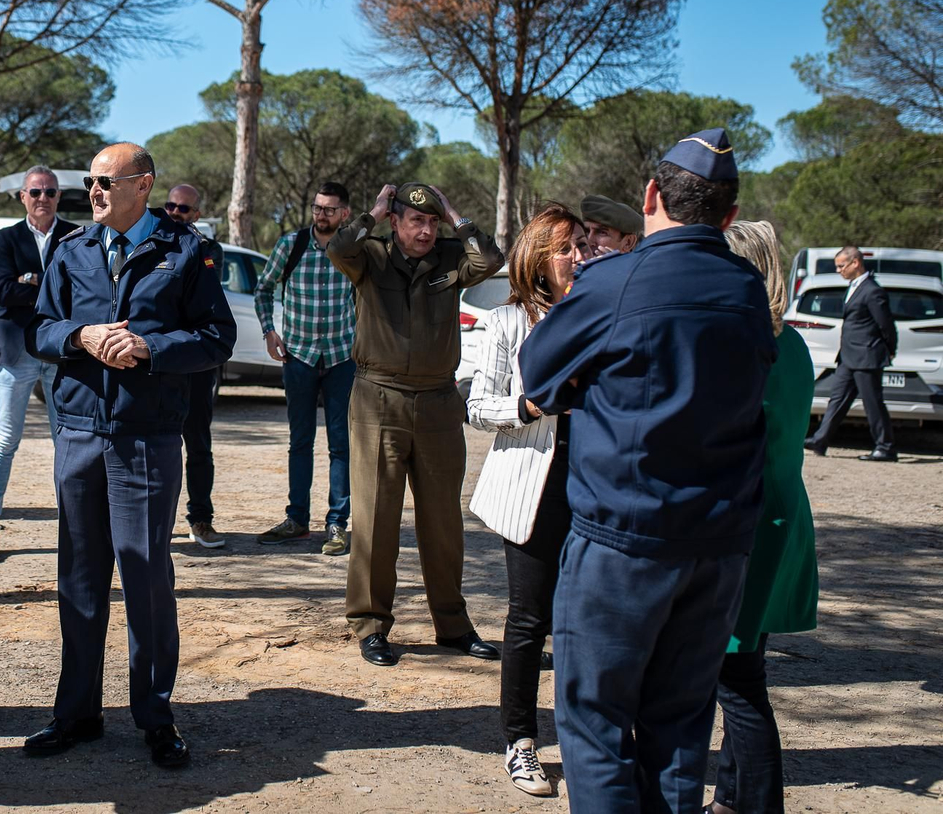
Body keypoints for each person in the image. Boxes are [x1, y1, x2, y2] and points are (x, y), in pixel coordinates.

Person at [518, 128, 778, 813]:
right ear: (728, 214)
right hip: (718, 548)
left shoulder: (616, 280)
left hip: (624, 545)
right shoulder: (748, 289)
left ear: (652, 195)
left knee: (596, 727)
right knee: (681, 728)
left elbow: (539, 378)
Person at [24, 143, 234, 769]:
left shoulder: (187, 251)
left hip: (146, 437)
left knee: (145, 579)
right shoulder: (71, 250)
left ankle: (155, 717)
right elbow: (38, 328)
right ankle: (77, 714)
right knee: (80, 580)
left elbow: (215, 338)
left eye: (104, 181)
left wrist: (149, 348)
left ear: (142, 185)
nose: (91, 191)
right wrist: (78, 335)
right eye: (87, 181)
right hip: (81, 435)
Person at [328, 181, 504, 666]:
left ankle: (452, 625)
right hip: (378, 398)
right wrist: (370, 213)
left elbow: (489, 261)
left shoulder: (450, 256)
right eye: (415, 221)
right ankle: (370, 624)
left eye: (432, 222)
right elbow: (336, 248)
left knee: (443, 521)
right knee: (376, 518)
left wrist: (455, 215)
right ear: (394, 220)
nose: (426, 230)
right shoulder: (370, 256)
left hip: (438, 402)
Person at [466, 203, 590, 797]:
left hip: (596, 490)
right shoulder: (507, 321)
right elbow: (477, 405)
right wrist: (528, 408)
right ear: (538, 257)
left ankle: (587, 741)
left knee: (585, 623)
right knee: (529, 622)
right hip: (531, 489)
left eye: (581, 247)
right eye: (566, 248)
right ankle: (521, 743)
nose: (578, 258)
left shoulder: (596, 316)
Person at [709, 220, 819, 814]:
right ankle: (730, 799)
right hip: (780, 516)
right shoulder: (793, 341)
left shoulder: (743, 342)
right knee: (746, 664)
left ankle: (758, 805)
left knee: (738, 682)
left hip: (745, 522)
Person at [0, 165, 79, 563]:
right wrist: (46, 286)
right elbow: (3, 290)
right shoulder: (6, 238)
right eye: (35, 192)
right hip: (16, 352)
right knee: (5, 441)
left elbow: (80, 293)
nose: (43, 199)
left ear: (58, 197)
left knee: (68, 443)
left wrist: (30, 282)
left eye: (50, 192)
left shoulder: (75, 235)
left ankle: (75, 529)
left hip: (61, 352)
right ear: (22, 196)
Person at [252, 181, 357, 556]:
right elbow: (263, 290)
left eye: (330, 209)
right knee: (300, 442)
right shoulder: (290, 246)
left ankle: (337, 525)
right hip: (298, 357)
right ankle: (297, 519)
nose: (321, 215)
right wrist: (269, 331)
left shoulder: (352, 248)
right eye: (317, 208)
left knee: (341, 445)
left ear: (344, 213)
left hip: (343, 358)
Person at [162, 183, 226, 548]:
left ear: (197, 215)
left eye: (183, 209)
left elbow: (191, 297)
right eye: (170, 205)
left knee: (198, 445)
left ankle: (201, 520)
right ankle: (158, 522)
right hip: (161, 361)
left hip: (197, 364)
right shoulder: (150, 243)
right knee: (158, 444)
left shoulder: (208, 249)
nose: (175, 213)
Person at [803, 244, 899, 461]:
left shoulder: (873, 290)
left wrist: (890, 350)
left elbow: (886, 325)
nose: (839, 271)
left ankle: (885, 447)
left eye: (841, 266)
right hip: (848, 356)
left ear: (855, 263)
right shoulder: (854, 287)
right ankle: (820, 440)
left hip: (867, 356)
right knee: (837, 400)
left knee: (872, 402)